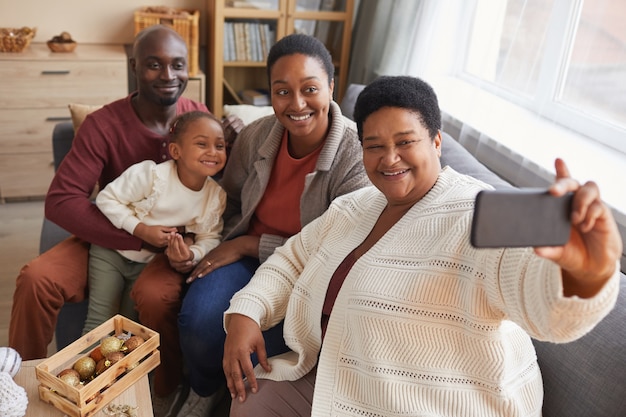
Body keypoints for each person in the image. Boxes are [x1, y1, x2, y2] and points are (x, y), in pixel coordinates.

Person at [222, 75, 622, 417]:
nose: (389, 158)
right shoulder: (353, 206)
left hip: (429, 402)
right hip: (336, 373)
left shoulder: (477, 211)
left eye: (405, 141)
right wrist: (247, 311)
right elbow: (293, 258)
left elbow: (540, 299)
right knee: (248, 401)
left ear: (436, 141)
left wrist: (586, 273)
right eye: (374, 145)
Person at [8, 25, 240, 417]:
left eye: (177, 65)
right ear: (134, 67)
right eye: (153, 65)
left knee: (155, 296)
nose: (168, 75)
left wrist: (238, 136)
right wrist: (139, 236)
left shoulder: (197, 116)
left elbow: (215, 191)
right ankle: (18, 386)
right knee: (36, 278)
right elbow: (62, 202)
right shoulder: (103, 124)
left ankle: (160, 388)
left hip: (168, 249)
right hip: (112, 235)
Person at [174, 33, 371, 417]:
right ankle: (204, 388)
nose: (296, 104)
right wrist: (204, 244)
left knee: (254, 337)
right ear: (270, 93)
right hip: (243, 255)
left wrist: (251, 244)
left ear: (331, 87)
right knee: (198, 322)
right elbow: (227, 201)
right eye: (282, 91)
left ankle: (237, 390)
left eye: (310, 89)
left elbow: (336, 248)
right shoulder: (256, 136)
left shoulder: (354, 154)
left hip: (308, 273)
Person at [82, 111, 227, 333]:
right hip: (110, 254)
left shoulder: (215, 196)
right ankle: (81, 366)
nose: (212, 152)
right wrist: (141, 230)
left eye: (220, 146)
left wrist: (192, 254)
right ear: (175, 151)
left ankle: (120, 368)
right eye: (202, 144)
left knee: (126, 328)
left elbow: (209, 237)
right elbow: (106, 198)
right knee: (99, 321)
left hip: (147, 262)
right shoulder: (151, 175)